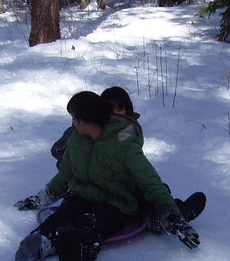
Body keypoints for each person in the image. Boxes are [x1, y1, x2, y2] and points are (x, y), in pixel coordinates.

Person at [15, 91, 200, 261]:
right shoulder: (76, 140)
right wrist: (41, 197)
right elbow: (64, 175)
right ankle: (42, 240)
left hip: (115, 200)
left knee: (92, 224)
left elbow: (150, 182)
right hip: (81, 194)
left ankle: (80, 255)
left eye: (74, 117)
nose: (73, 122)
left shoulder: (123, 144)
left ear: (85, 119)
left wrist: (172, 216)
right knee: (62, 216)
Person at [51, 86, 205, 227]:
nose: (117, 113)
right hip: (92, 186)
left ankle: (170, 214)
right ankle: (156, 216)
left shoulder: (126, 131)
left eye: (121, 109)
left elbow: (132, 160)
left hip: (119, 180)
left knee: (152, 189)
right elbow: (62, 154)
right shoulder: (82, 131)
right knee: (135, 197)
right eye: (110, 109)